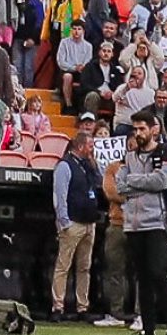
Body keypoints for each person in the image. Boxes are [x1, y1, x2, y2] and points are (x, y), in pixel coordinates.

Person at [114, 114, 167, 335]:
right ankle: (148, 327)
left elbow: (163, 181)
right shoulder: (129, 155)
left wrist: (134, 180)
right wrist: (145, 181)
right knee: (142, 277)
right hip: (133, 225)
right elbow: (119, 186)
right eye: (135, 129)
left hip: (156, 222)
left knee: (158, 273)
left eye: (142, 129)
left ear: (153, 130)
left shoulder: (164, 152)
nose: (138, 133)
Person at [50, 129, 104, 322]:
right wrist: (63, 221)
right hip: (73, 222)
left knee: (84, 267)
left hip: (89, 223)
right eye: (90, 146)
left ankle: (82, 306)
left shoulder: (88, 165)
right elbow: (60, 195)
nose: (92, 149)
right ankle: (58, 306)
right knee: (63, 266)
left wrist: (95, 164)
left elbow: (100, 182)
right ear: (80, 146)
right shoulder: (65, 165)